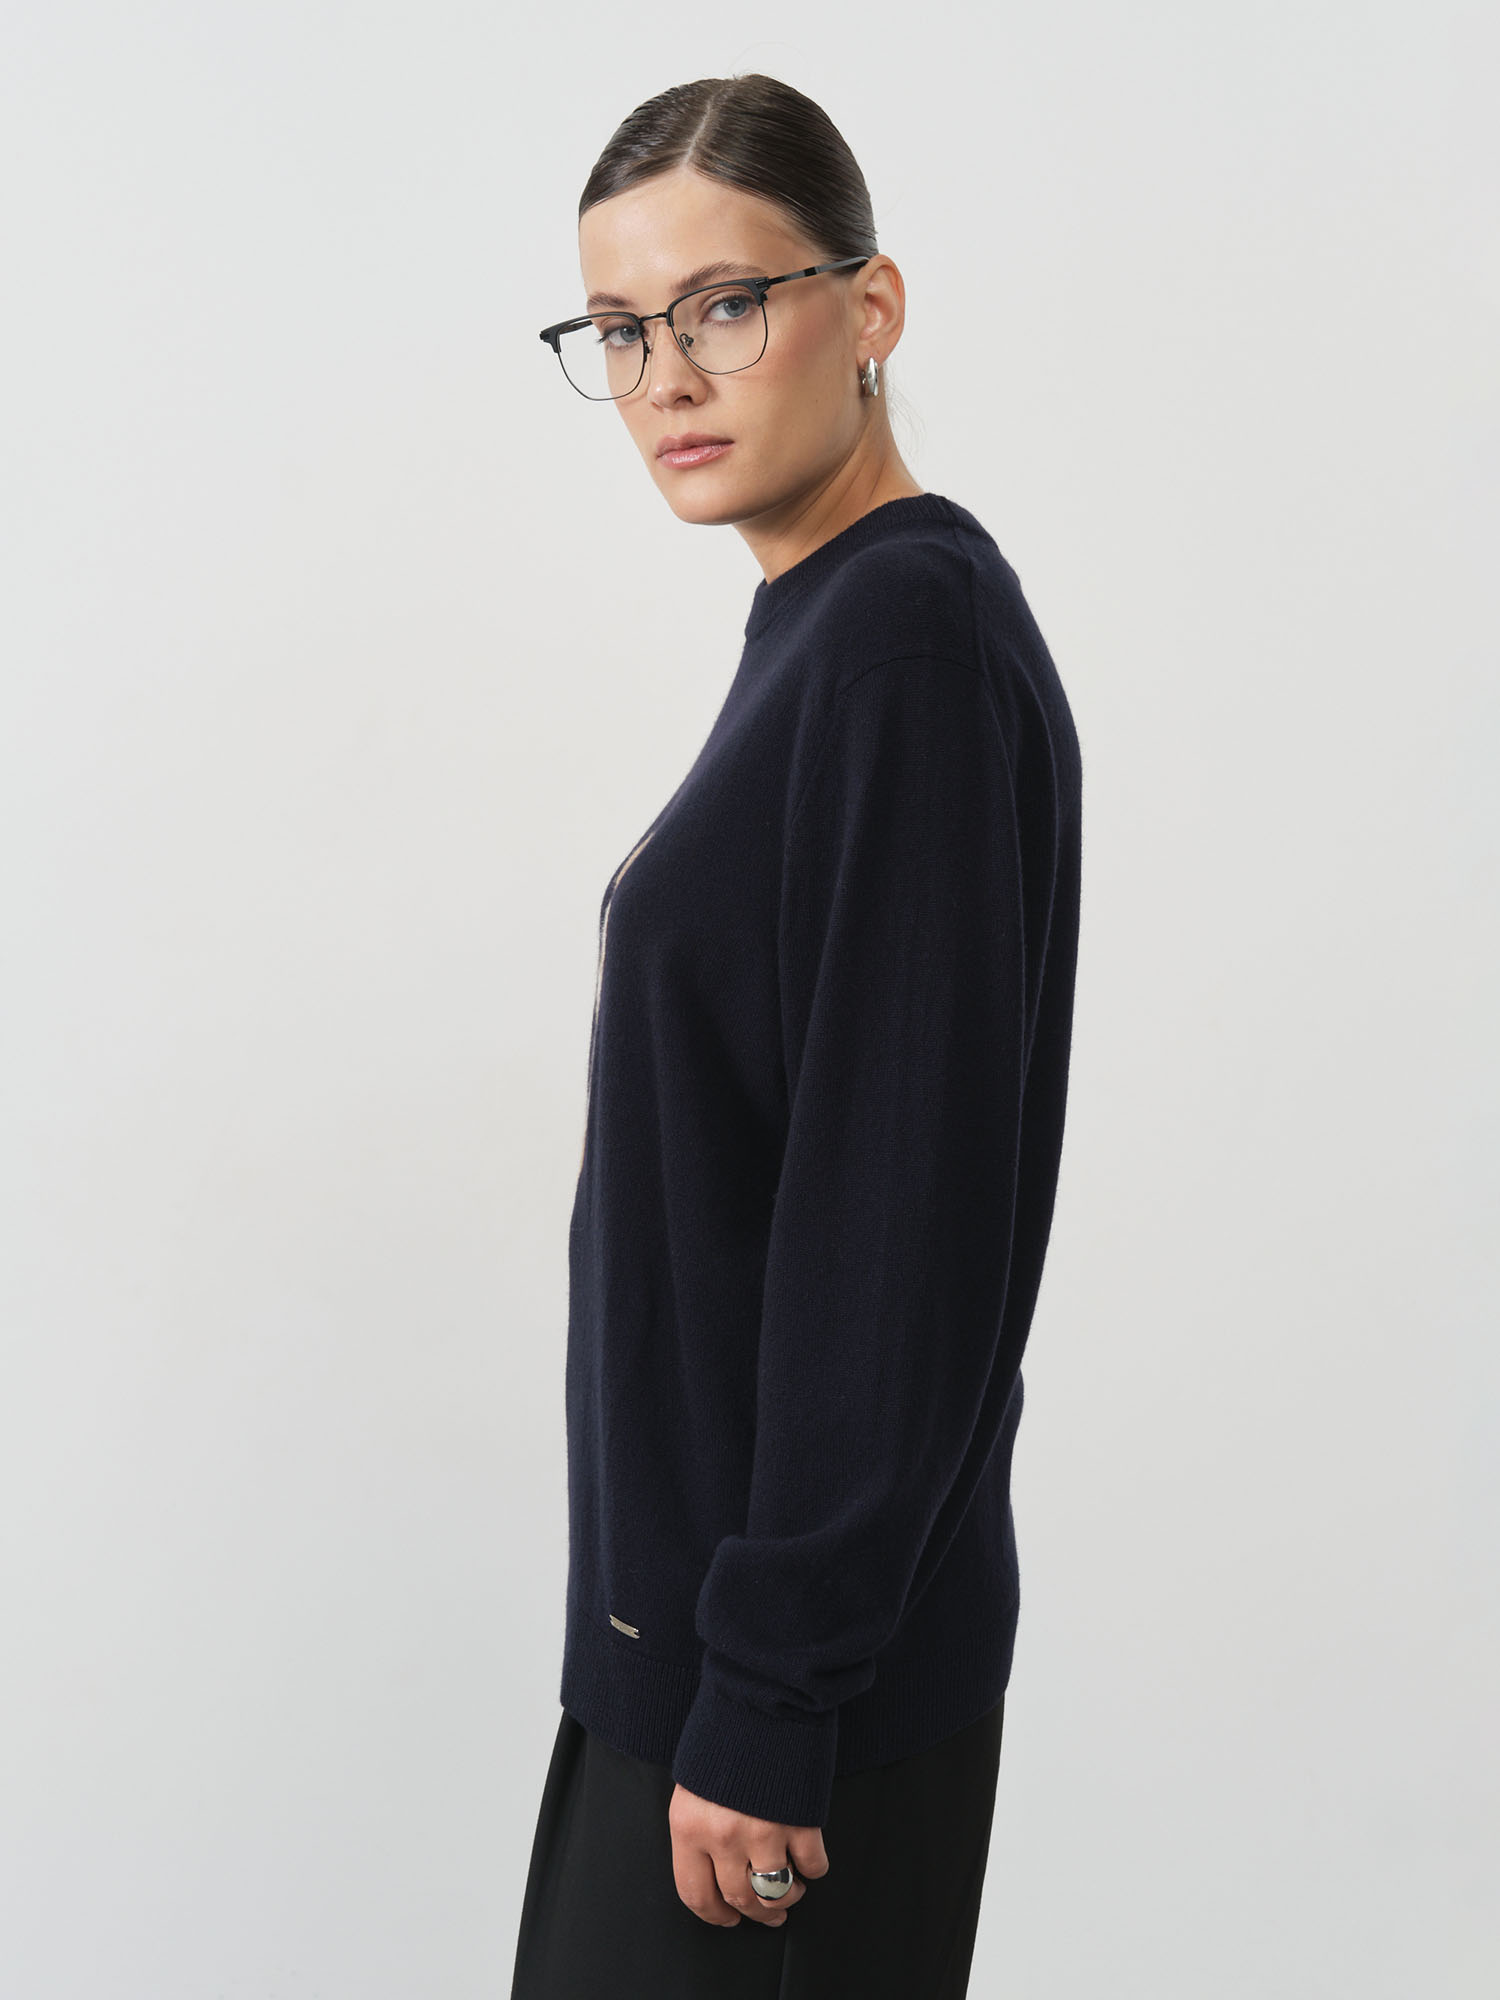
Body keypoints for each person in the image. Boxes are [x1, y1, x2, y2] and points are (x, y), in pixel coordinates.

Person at [510, 71, 1082, 2000]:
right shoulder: (828, 631)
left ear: (872, 305)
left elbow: (897, 1225)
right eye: (618, 328)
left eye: (726, 305)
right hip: (706, 1668)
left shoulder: (904, 645)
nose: (666, 376)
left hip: (775, 1720)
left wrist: (767, 1694)